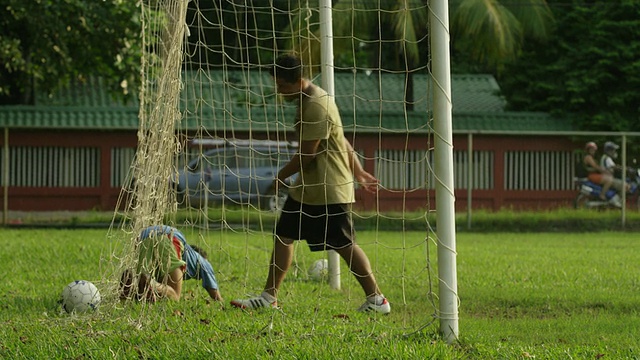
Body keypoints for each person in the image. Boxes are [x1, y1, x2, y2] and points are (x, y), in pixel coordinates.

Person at [230, 53, 390, 314]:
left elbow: (307, 155)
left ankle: (377, 299)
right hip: (308, 190)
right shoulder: (309, 98)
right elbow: (342, 139)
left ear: (297, 81)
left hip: (328, 189)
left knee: (343, 243)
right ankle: (269, 297)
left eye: (282, 85)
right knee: (284, 235)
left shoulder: (316, 104)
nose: (279, 91)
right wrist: (359, 171)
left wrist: (279, 177)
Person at [120, 225, 223, 302]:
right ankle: (150, 281)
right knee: (174, 295)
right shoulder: (201, 260)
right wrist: (220, 301)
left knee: (141, 288)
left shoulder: (188, 254)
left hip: (142, 239)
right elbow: (214, 292)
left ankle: (133, 280)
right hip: (168, 238)